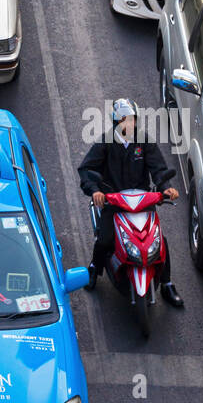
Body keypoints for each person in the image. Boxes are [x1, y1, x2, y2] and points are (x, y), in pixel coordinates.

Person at [78, 99, 183, 306]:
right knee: (104, 239)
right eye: (126, 120)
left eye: (133, 119)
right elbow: (86, 170)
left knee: (159, 240)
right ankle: (94, 269)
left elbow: (159, 169)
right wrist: (96, 191)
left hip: (142, 201)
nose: (130, 124)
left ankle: (167, 284)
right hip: (114, 202)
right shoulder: (105, 142)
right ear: (117, 122)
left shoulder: (144, 141)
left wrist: (166, 188)